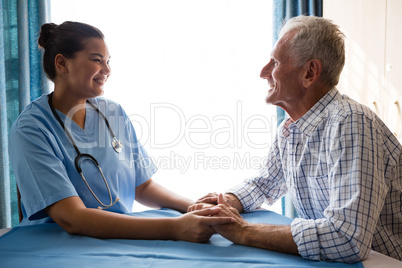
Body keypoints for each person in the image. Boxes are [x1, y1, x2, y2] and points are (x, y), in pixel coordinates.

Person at [188, 15, 402, 263]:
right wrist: (224, 203)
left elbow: (346, 238)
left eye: (275, 62)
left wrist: (243, 232)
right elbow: (263, 184)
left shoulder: (351, 122)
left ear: (310, 72)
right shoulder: (290, 129)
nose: (263, 72)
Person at [8, 21, 234, 242]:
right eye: (97, 60)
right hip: (56, 245)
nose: (107, 70)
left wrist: (194, 207)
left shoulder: (112, 111)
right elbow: (72, 218)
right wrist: (175, 228)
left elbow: (143, 186)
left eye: (108, 61)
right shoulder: (31, 130)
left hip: (117, 236)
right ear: (62, 63)